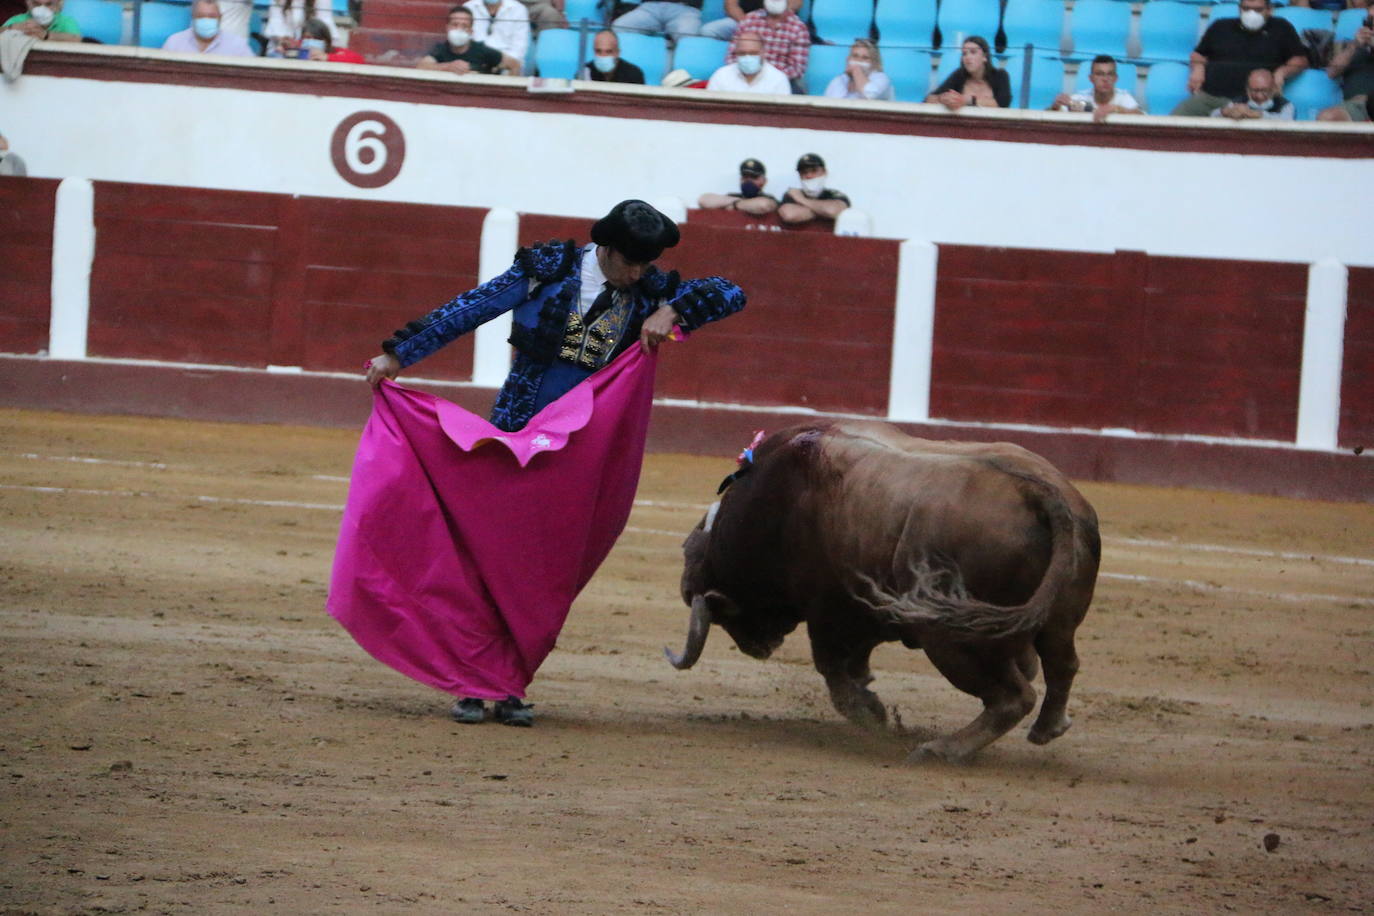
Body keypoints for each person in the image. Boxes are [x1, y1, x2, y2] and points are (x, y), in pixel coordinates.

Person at [362, 200, 746, 726]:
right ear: (607, 249)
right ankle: (473, 682)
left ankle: (510, 683)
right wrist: (398, 354)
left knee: (544, 570)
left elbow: (732, 293)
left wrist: (673, 311)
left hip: (582, 450)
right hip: (516, 431)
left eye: (644, 266)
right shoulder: (549, 269)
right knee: (488, 558)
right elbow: (472, 307)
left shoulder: (653, 293)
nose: (637, 274)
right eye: (630, 263)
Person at [1172, 0, 1307, 117]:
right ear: (1239, 9)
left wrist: (1281, 73)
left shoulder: (1281, 28)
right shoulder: (1220, 26)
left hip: (1256, 101)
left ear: (1269, 10)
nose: (1251, 14)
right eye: (1246, 9)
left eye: (1258, 9)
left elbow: (1300, 60)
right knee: (1174, 122)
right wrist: (1198, 69)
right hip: (1212, 98)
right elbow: (1198, 54)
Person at [722, 0, 809, 93]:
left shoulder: (798, 27)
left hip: (783, 79)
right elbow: (731, 57)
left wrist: (767, 77)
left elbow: (797, 68)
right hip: (744, 76)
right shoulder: (749, 20)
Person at [926, 36, 1011, 110]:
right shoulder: (959, 75)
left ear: (985, 57)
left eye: (973, 52)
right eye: (964, 54)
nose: (968, 57)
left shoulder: (1000, 75)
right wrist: (943, 99)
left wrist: (967, 100)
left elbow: (1003, 104)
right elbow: (928, 99)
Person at [1049, 55, 1141, 121]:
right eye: (1100, 74)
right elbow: (1049, 116)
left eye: (1110, 74)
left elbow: (1141, 116)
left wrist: (1115, 108)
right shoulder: (1081, 97)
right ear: (1091, 79)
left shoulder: (1123, 97)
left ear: (1116, 78)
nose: (1105, 79)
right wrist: (1055, 107)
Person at [1318, 15, 1374, 121]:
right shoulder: (1353, 47)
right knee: (1327, 117)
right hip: (1358, 106)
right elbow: (1332, 72)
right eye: (1370, 20)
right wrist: (1354, 46)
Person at [417, 6, 503, 75]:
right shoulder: (441, 49)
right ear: (447, 28)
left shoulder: (482, 50)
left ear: (471, 31)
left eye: (464, 26)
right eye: (455, 24)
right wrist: (448, 67)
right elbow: (421, 66)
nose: (459, 29)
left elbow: (513, 64)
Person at [705, 30, 791, 94]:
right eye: (742, 53)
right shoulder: (721, 76)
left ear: (763, 53)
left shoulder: (778, 79)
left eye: (753, 53)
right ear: (736, 53)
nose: (747, 57)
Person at [778, 152, 850, 226]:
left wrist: (801, 199)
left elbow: (833, 211)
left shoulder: (834, 194)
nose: (809, 176)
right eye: (804, 172)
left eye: (814, 170)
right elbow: (790, 215)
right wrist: (822, 211)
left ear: (824, 172)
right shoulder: (792, 194)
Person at [160, 0, 254, 55]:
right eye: (201, 16)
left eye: (212, 17)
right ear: (193, 16)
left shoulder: (238, 47)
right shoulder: (174, 43)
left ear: (220, 18)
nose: (206, 20)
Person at [464, 0, 529, 75]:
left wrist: (498, 63)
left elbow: (519, 48)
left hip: (507, 64)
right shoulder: (468, 7)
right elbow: (465, 43)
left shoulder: (518, 9)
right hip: (476, 63)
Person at [697, 157, 779, 215]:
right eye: (745, 176)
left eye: (754, 177)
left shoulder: (769, 198)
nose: (748, 180)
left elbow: (763, 205)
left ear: (764, 181)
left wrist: (734, 205)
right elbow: (703, 200)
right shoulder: (732, 196)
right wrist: (740, 202)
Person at [1210, 66, 1295, 119]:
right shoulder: (1238, 102)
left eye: (1264, 90)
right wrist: (1227, 112)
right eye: (1255, 90)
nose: (1259, 96)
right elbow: (1213, 115)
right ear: (1247, 89)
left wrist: (1254, 114)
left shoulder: (1285, 105)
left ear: (1273, 88)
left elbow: (1287, 120)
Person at [823, 38, 894, 101]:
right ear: (848, 59)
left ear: (874, 63)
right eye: (855, 56)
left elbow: (870, 94)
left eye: (865, 58)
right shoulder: (839, 80)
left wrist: (856, 70)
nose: (859, 61)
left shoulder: (881, 78)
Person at [700, 0, 802, 42]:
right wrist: (748, 24)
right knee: (708, 30)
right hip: (743, 21)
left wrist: (775, 20)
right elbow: (731, 6)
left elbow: (795, 4)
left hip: (778, 21)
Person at [264, 0, 336, 57]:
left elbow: (325, 27)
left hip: (313, 51)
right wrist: (289, 44)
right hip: (281, 50)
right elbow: (275, 24)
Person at [612, 0, 701, 43]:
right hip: (650, 6)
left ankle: (683, 75)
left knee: (690, 37)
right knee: (619, 26)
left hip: (683, 8)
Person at [288, 17, 364, 63]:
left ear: (325, 41)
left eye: (317, 39)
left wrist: (327, 57)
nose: (311, 41)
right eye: (307, 38)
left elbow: (358, 59)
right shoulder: (297, 49)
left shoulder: (334, 51)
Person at [1, 0, 80, 42]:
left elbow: (77, 39)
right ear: (28, 2)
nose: (42, 9)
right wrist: (11, 27)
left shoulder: (65, 21)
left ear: (58, 4)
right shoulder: (18, 19)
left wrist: (45, 35)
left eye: (48, 4)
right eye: (36, 4)